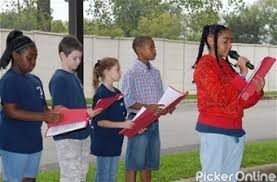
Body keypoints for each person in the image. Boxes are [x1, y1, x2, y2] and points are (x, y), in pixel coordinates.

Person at [193, 24, 265, 182]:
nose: (230, 45)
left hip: (235, 130)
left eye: (230, 41)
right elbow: (221, 97)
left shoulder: (226, 66)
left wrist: (257, 90)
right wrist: (243, 75)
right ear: (211, 40)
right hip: (215, 131)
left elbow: (241, 101)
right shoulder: (204, 65)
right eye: (225, 41)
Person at [0, 30, 62, 182]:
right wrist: (44, 116)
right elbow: (11, 111)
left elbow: (43, 110)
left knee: (30, 179)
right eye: (29, 58)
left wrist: (54, 115)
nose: (33, 62)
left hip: (34, 144)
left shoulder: (35, 81)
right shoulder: (9, 80)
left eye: (35, 58)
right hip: (14, 144)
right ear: (15, 55)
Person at [49, 35, 102, 182]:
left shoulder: (74, 77)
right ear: (62, 55)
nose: (78, 61)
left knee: (81, 174)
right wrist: (85, 113)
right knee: (70, 176)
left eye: (80, 58)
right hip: (67, 137)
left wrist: (89, 113)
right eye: (74, 58)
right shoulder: (59, 79)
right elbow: (59, 110)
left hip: (82, 133)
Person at [122, 36, 172, 182]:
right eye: (151, 47)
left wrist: (167, 106)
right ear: (139, 50)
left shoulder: (155, 73)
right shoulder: (131, 73)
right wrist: (148, 107)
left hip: (153, 122)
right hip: (138, 121)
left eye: (154, 47)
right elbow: (128, 100)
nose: (155, 50)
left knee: (148, 162)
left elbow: (160, 99)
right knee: (134, 162)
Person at [91, 57, 134, 182]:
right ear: (107, 71)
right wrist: (123, 124)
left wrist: (133, 126)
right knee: (103, 176)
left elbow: (122, 119)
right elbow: (100, 121)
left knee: (111, 176)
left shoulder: (118, 93)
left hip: (115, 142)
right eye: (117, 69)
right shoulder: (101, 94)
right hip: (104, 142)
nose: (120, 72)